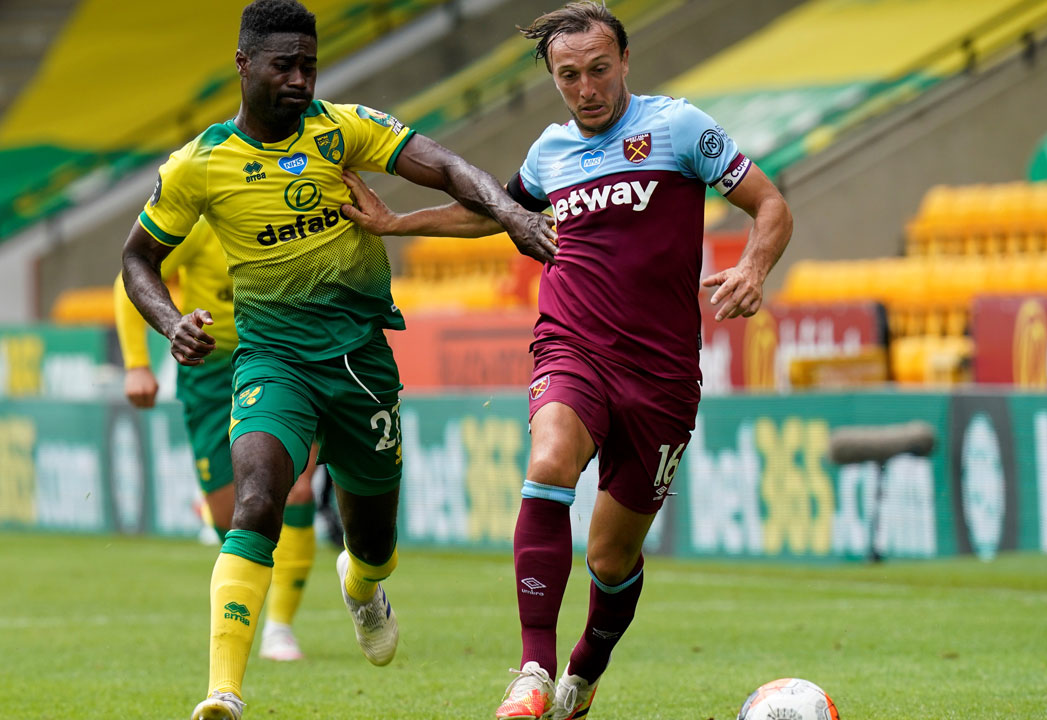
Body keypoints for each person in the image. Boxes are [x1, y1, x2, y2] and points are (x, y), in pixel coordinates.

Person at [339, 3, 793, 718]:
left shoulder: (677, 128)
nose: (587, 88)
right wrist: (400, 222)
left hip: (664, 374)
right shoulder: (549, 152)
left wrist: (755, 269)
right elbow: (495, 212)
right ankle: (532, 670)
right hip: (572, 343)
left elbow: (770, 204)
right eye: (569, 75)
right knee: (549, 462)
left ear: (626, 63)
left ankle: (583, 671)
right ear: (554, 78)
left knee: (611, 560)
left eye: (599, 70)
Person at [119, 2, 557, 719]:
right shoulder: (199, 165)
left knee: (374, 540)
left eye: (309, 65)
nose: (299, 79)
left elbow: (443, 166)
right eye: (283, 65)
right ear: (244, 64)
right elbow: (138, 258)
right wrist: (170, 323)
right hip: (272, 362)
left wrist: (510, 214)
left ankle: (362, 585)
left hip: (361, 365)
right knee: (258, 495)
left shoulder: (342, 129)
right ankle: (223, 690)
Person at [112, 219, 322, 663]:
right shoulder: (199, 226)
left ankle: (280, 627)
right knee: (234, 517)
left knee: (297, 488)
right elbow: (129, 277)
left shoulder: (291, 213)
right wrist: (136, 363)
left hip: (281, 359)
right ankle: (249, 602)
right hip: (211, 372)